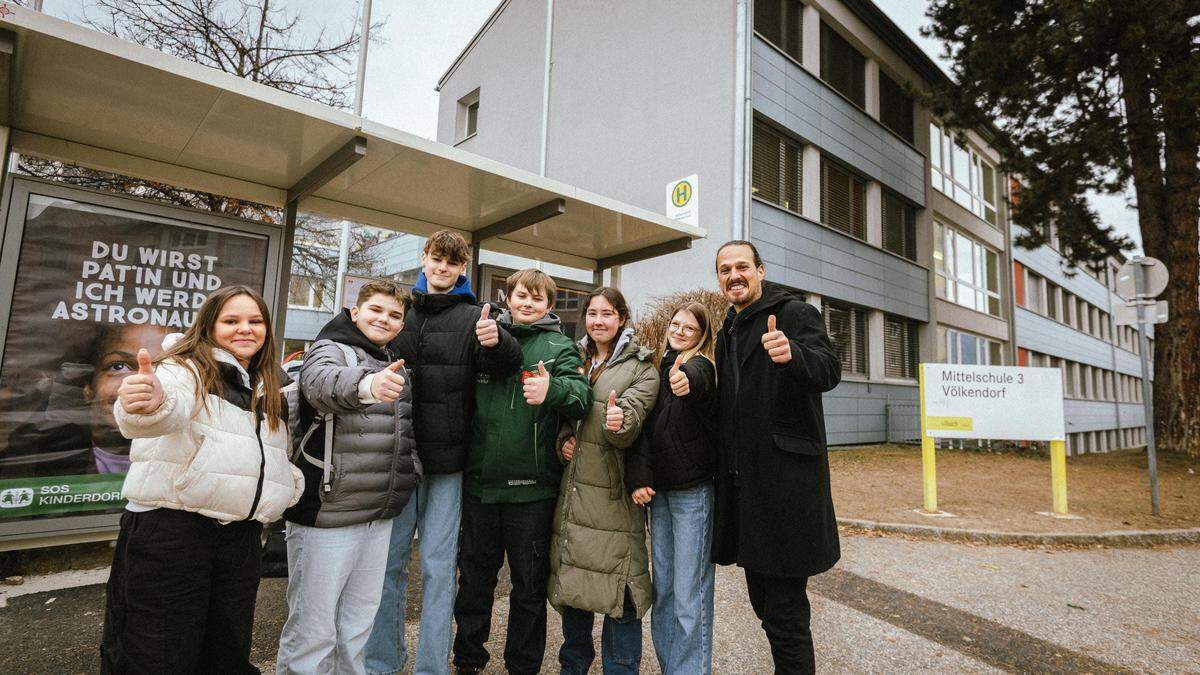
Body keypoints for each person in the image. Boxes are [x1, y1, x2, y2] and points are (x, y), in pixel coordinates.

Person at [99, 285, 304, 673]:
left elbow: (269, 456)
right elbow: (161, 410)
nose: (245, 329)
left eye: (255, 321)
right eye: (231, 321)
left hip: (238, 539)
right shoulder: (181, 368)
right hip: (173, 534)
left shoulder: (265, 384)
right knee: (158, 655)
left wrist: (287, 486)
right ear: (209, 325)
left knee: (225, 654)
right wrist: (146, 402)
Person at [366, 230, 522, 675]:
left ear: (462, 268)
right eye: (436, 259)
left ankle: (431, 666)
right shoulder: (402, 311)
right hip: (398, 457)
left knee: (437, 568)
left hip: (449, 465)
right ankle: (382, 662)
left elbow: (506, 364)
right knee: (388, 567)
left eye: (451, 263)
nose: (442, 268)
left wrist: (497, 339)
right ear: (424, 259)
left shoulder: (477, 316)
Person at [451, 269, 592, 675]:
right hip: (481, 485)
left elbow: (582, 398)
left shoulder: (560, 346)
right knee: (475, 583)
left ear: (549, 306)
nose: (527, 304)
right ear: (507, 298)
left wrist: (556, 391)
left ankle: (523, 666)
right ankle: (468, 660)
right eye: (521, 296)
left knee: (528, 590)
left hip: (532, 491)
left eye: (537, 299)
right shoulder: (483, 336)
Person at [276, 280, 420, 674]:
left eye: (394, 315)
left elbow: (403, 433)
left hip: (377, 513)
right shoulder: (329, 348)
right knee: (313, 631)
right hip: (328, 512)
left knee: (357, 627)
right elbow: (322, 385)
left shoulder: (391, 358)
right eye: (376, 310)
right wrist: (367, 385)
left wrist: (410, 472)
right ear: (354, 313)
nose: (384, 319)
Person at [711, 241, 842, 674]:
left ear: (761, 271)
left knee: (785, 613)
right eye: (725, 269)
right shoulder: (726, 330)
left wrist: (793, 354)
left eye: (743, 266)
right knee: (764, 605)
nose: (735, 275)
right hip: (746, 493)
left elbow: (828, 370)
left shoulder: (795, 314)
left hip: (785, 490)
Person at [549, 287, 659, 675]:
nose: (598, 321)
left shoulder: (642, 368)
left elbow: (629, 426)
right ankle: (572, 668)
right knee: (577, 589)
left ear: (622, 319)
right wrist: (564, 441)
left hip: (614, 499)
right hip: (575, 495)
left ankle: (622, 670)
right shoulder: (572, 358)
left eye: (607, 314)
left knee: (622, 593)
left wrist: (619, 422)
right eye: (592, 313)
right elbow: (562, 419)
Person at [624, 301, 719, 675]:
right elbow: (646, 432)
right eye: (676, 324)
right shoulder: (658, 368)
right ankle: (670, 667)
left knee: (689, 594)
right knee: (663, 592)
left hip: (693, 494)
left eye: (689, 329)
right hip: (659, 496)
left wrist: (688, 379)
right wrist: (640, 477)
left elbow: (699, 380)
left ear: (702, 337)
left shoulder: (702, 366)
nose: (679, 331)